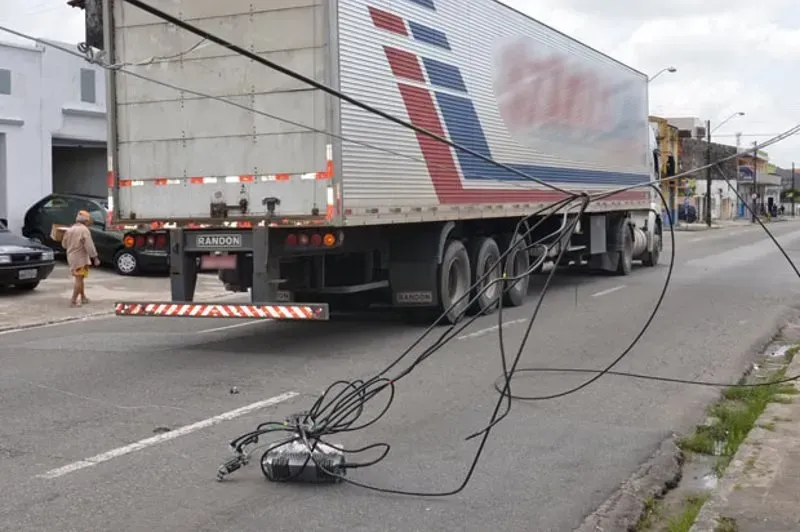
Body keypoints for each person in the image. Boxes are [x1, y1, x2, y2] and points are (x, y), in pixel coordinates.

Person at [61, 210, 100, 307]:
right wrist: (95, 257)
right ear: (86, 221)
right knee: (79, 279)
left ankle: (83, 297)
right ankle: (73, 301)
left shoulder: (70, 229)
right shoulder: (84, 230)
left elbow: (64, 245)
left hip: (71, 258)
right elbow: (89, 246)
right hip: (80, 259)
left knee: (80, 278)